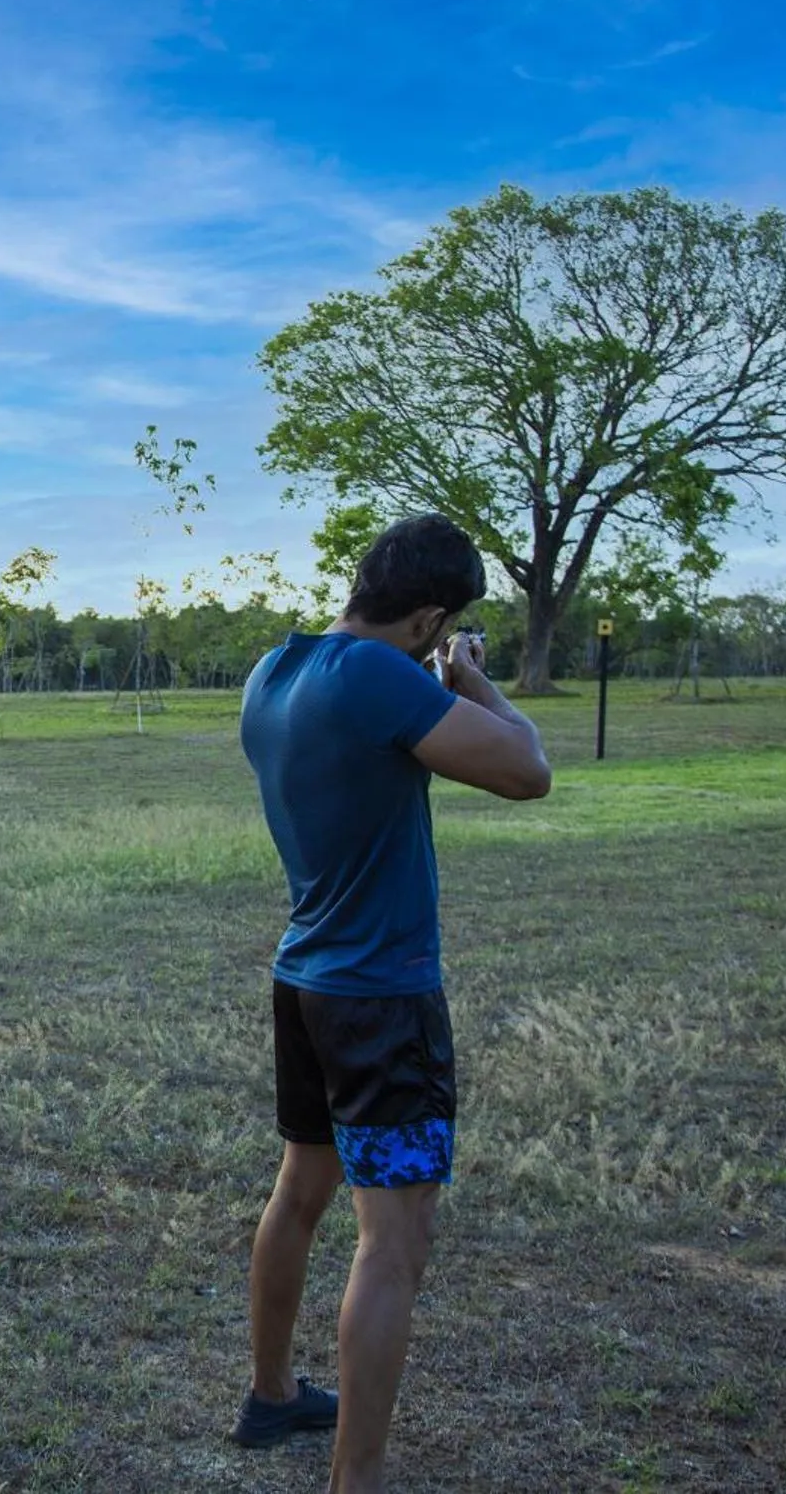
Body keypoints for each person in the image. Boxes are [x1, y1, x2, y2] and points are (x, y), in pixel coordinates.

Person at [233, 515, 552, 1492]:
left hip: (307, 985)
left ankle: (273, 1393)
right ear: (426, 618)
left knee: (300, 1192)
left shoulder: (274, 672)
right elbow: (527, 770)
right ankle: (354, 1483)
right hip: (381, 1005)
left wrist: (433, 671)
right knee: (394, 1241)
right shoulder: (382, 679)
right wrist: (471, 676)